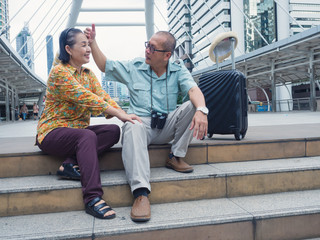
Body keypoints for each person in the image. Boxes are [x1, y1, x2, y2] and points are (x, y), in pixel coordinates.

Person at [85, 24, 208, 222]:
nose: (147, 51)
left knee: (195, 105)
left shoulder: (177, 71)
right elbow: (104, 65)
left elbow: (193, 90)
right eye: (147, 45)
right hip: (142, 125)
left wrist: (202, 110)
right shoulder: (134, 67)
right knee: (132, 124)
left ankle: (175, 156)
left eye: (152, 48)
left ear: (167, 55)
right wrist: (93, 43)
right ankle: (141, 193)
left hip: (167, 124)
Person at [36, 28, 141, 220]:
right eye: (83, 45)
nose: (88, 49)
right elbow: (87, 98)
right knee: (87, 136)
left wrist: (124, 114)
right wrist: (119, 113)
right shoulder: (59, 72)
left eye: (88, 44)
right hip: (52, 133)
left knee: (112, 131)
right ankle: (92, 198)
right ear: (68, 49)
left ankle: (69, 164)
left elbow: (103, 97)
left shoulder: (88, 74)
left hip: (77, 133)